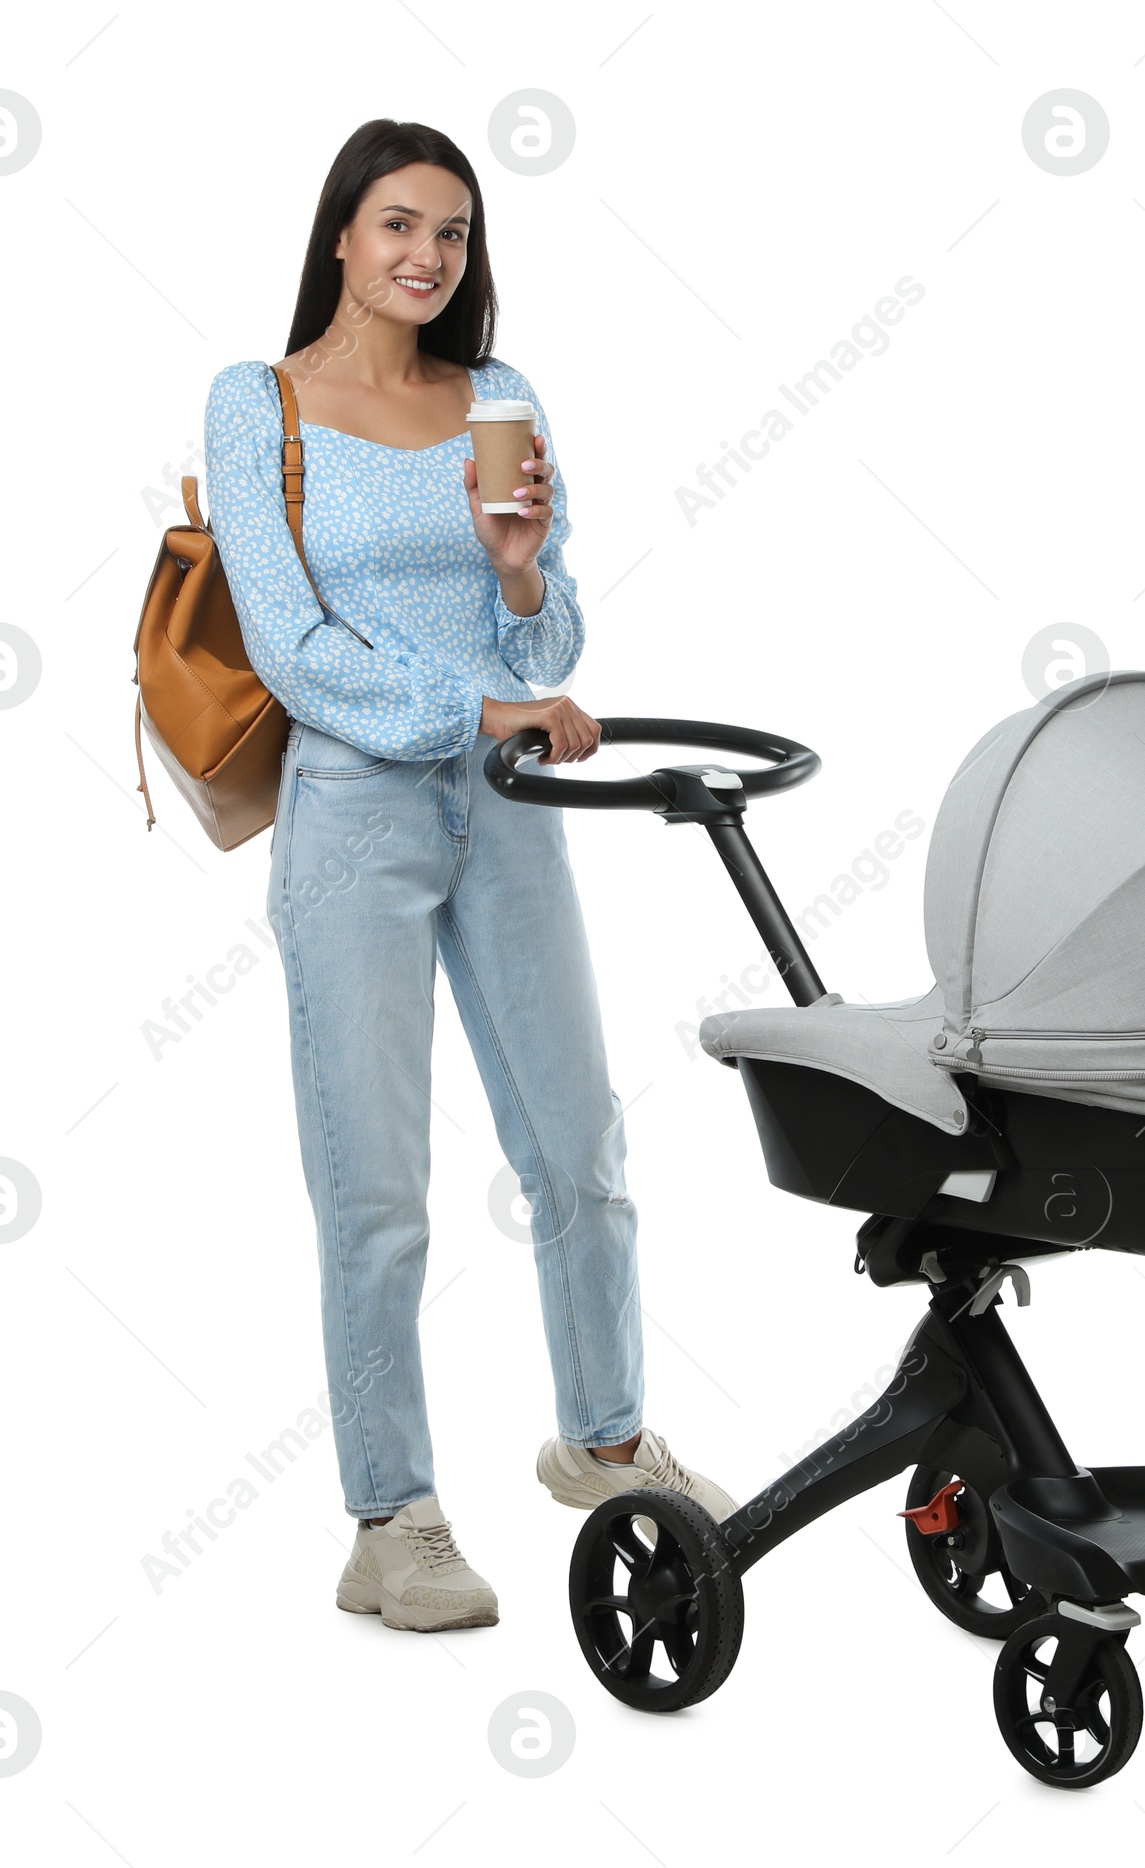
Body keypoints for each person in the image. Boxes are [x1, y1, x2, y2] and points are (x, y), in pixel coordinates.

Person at [203, 117, 735, 1633]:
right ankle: (393, 1516)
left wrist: (519, 580)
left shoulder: (497, 395)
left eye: (450, 230)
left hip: (505, 813)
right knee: (377, 1194)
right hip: (352, 813)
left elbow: (549, 648)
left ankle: (608, 1438)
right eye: (396, 225)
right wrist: (477, 704)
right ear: (340, 239)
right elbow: (290, 646)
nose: (426, 255)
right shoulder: (263, 404)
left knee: (581, 1152)